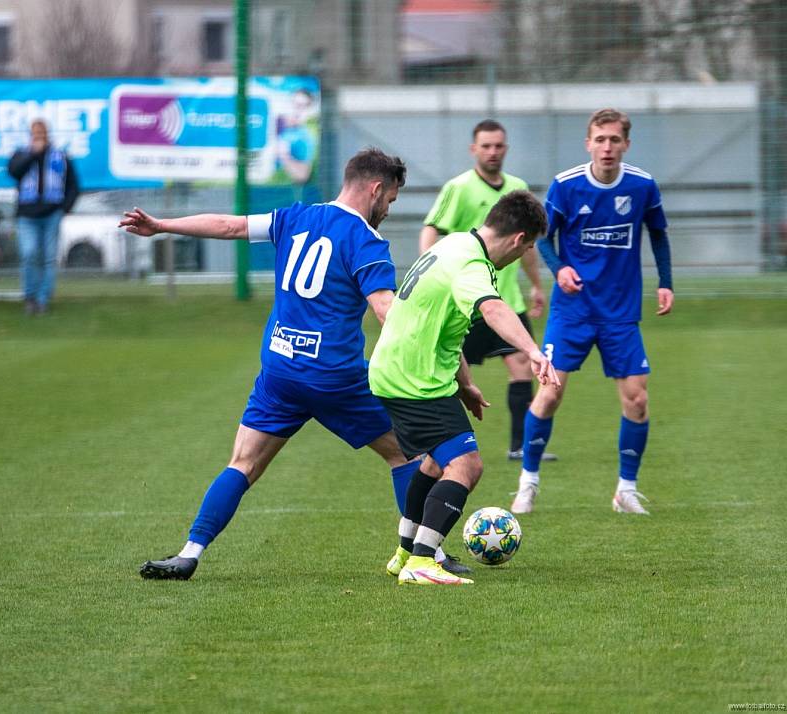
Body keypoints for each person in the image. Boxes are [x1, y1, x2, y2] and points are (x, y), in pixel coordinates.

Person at [120, 147, 468, 580]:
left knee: (242, 465)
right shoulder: (365, 240)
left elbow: (230, 225)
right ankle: (425, 554)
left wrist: (160, 225)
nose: (387, 210)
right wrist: (437, 346)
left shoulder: (295, 216)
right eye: (391, 200)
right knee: (408, 456)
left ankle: (190, 552)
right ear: (376, 189)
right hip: (337, 379)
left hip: (280, 372)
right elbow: (384, 308)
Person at [369, 190, 560, 586]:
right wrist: (533, 351)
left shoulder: (453, 243)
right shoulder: (472, 264)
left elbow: (444, 329)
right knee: (467, 465)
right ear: (518, 239)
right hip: (414, 379)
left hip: (400, 370)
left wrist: (467, 384)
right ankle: (423, 561)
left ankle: (406, 551)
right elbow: (492, 308)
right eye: (527, 249)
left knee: (436, 462)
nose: (521, 258)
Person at [511, 108, 674, 516]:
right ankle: (528, 483)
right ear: (588, 143)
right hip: (573, 312)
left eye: (614, 140)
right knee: (549, 393)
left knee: (637, 400)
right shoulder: (566, 186)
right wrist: (559, 268)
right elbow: (543, 238)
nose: (607, 147)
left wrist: (666, 281)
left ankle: (626, 490)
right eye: (600, 139)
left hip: (620, 314)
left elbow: (658, 234)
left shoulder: (641, 185)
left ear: (626, 145)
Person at [419, 119, 557, 463]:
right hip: (468, 299)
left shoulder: (517, 188)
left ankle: (519, 445)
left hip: (505, 299)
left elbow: (527, 246)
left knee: (523, 365)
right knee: (450, 367)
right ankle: (445, 444)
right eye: (486, 146)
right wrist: (429, 271)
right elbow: (432, 230)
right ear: (474, 149)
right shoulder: (459, 188)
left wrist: (537, 286)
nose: (493, 152)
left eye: (499, 146)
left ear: (506, 149)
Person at [8, 119, 79, 315]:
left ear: (47, 135)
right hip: (27, 215)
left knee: (49, 258)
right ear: (30, 136)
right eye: (35, 135)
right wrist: (33, 154)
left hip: (51, 214)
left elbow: (73, 185)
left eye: (42, 135)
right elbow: (13, 172)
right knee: (29, 254)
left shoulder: (60, 156)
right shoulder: (21, 154)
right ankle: (29, 296)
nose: (38, 138)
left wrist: (64, 208)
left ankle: (42, 299)